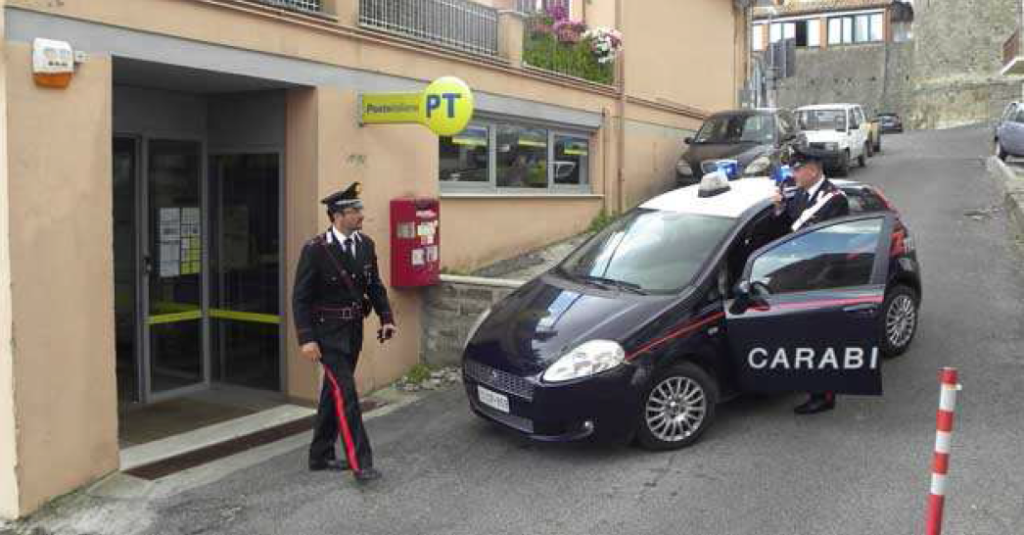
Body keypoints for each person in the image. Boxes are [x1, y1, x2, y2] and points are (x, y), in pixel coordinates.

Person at [292, 182, 396, 482]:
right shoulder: (316, 250)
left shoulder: (365, 245)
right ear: (338, 215)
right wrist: (306, 338)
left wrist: (385, 316)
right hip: (327, 334)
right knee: (347, 394)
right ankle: (360, 462)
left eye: (360, 209)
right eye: (355, 210)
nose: (362, 215)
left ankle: (320, 455)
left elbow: (374, 285)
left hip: (353, 331)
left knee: (332, 392)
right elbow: (300, 298)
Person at [771, 151, 850, 415]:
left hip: (821, 281)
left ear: (813, 170)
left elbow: (828, 244)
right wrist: (780, 207)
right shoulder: (802, 194)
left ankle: (824, 395)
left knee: (819, 340)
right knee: (803, 338)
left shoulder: (835, 199)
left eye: (797, 170)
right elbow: (788, 230)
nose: (793, 175)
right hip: (799, 275)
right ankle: (806, 380)